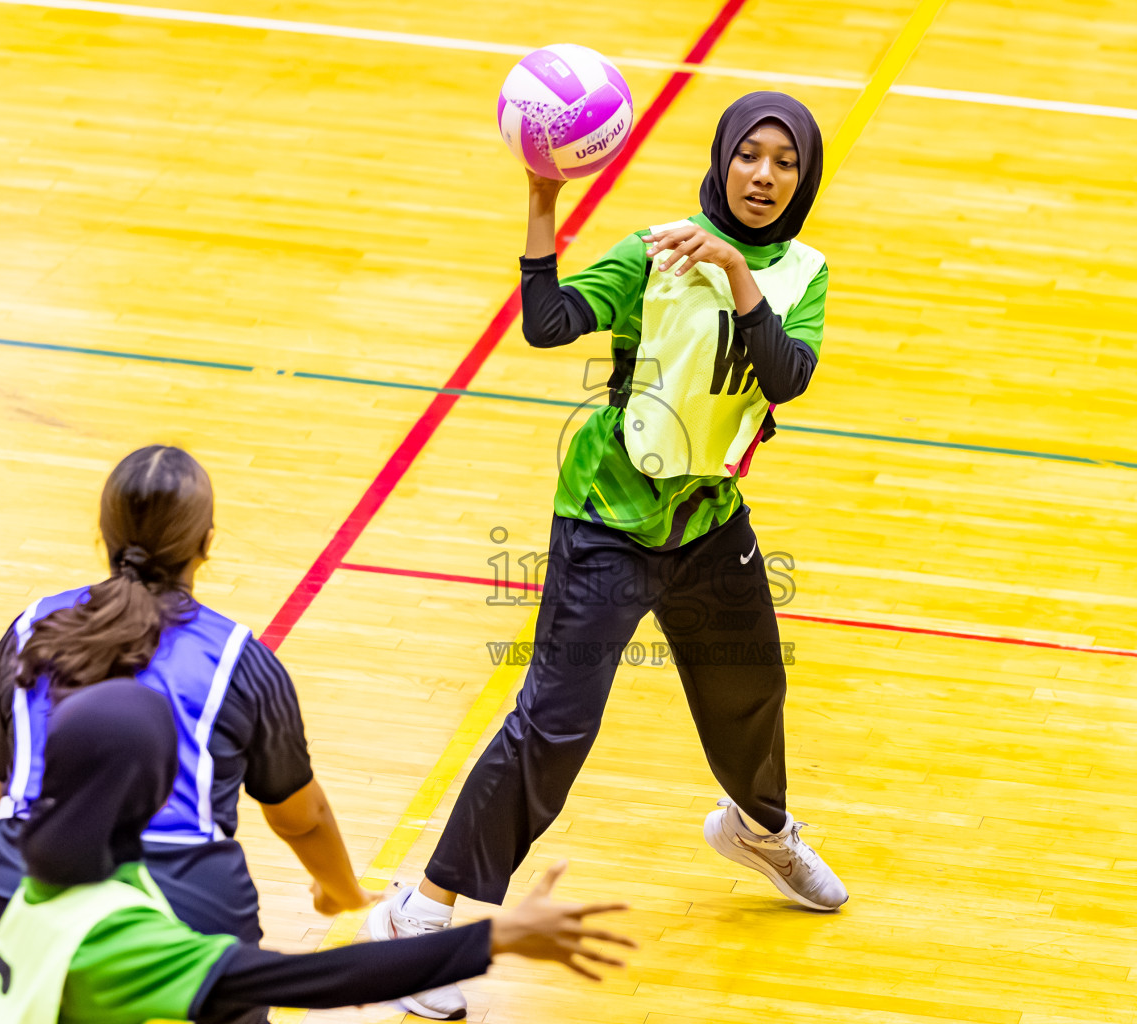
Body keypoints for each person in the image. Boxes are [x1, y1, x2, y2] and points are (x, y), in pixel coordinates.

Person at [370, 91, 849, 1020]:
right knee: (555, 725)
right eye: (749, 156)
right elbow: (547, 324)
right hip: (606, 517)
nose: (763, 176)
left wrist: (741, 281)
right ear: (722, 159)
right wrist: (544, 203)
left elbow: (785, 374)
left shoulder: (804, 274)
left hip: (709, 517)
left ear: (803, 180)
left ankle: (759, 831)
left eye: (783, 164)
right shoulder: (656, 250)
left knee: (751, 693)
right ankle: (421, 911)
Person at [0, 445, 372, 1024]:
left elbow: (9, 788)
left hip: (11, 887)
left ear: (103, 534)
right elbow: (301, 816)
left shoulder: (28, 629)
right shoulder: (238, 659)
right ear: (206, 543)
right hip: (188, 896)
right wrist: (342, 894)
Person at [0, 678, 633, 1024]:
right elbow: (314, 982)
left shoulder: (42, 878)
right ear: (159, 792)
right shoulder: (114, 936)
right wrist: (496, 938)